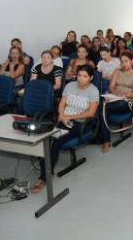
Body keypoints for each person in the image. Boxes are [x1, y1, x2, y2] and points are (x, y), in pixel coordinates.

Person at [30, 65, 99, 194]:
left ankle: (44, 178)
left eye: (85, 76)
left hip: (79, 123)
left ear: (91, 77)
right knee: (43, 138)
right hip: (63, 119)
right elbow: (61, 105)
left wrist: (70, 117)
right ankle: (47, 168)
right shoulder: (69, 86)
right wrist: (62, 116)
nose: (81, 79)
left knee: (55, 142)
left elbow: (90, 113)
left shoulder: (93, 90)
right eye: (79, 75)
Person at [101, 51, 133, 153]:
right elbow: (111, 87)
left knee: (101, 108)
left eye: (126, 61)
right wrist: (117, 93)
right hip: (114, 97)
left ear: (131, 61)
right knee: (101, 107)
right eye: (122, 61)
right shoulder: (117, 72)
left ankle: (103, 139)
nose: (124, 64)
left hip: (127, 101)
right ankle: (105, 139)